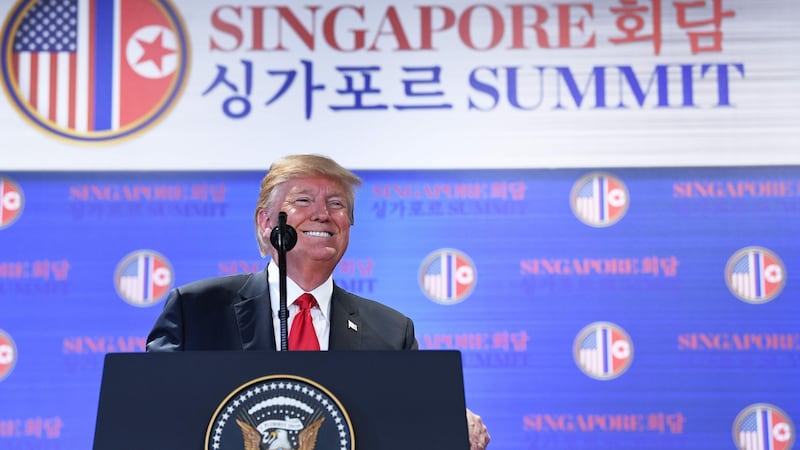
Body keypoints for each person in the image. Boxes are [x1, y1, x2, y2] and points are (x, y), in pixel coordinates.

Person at [146, 154, 491, 450]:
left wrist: (446, 422)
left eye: (336, 204)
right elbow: (152, 412)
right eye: (303, 200)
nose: (322, 214)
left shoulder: (390, 331)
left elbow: (409, 418)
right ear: (266, 222)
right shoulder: (197, 311)